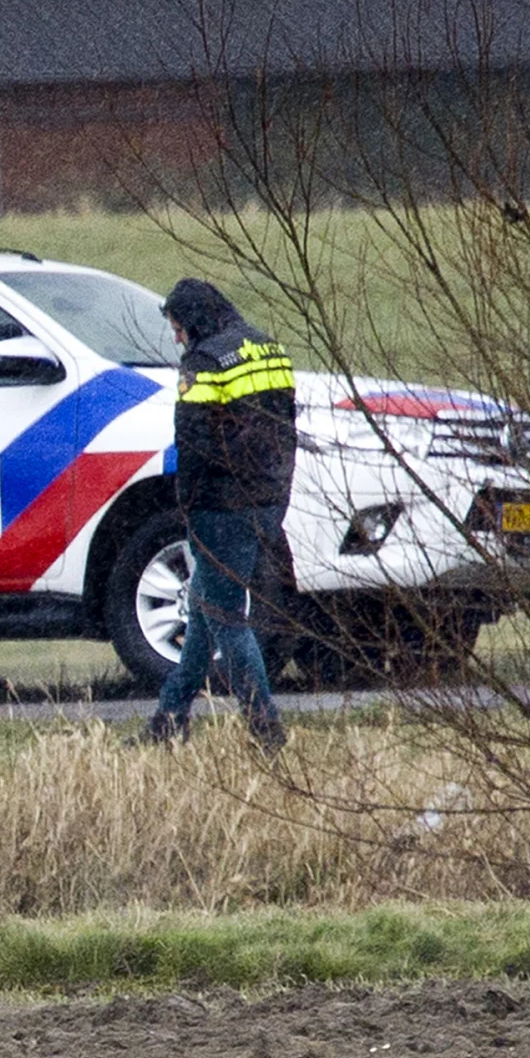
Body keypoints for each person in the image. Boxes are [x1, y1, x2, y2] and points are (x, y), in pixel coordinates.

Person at [151, 279, 296, 752]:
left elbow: (193, 441)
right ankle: (169, 716)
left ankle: (265, 726)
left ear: (194, 319)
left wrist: (188, 503)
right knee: (204, 607)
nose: (177, 337)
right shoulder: (269, 348)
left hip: (220, 505)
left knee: (225, 616)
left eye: (178, 327)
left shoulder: (205, 362)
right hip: (268, 498)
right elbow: (287, 429)